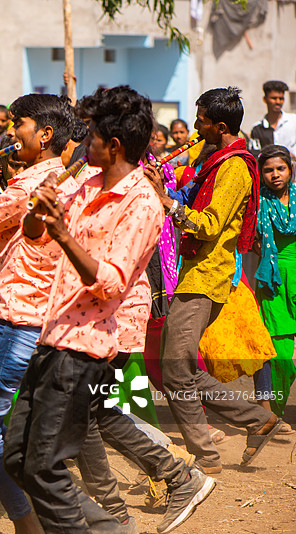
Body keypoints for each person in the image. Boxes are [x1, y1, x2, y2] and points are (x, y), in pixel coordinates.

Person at [3, 85, 212, 534]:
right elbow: (38, 236)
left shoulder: (140, 203)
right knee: (17, 456)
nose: (82, 145)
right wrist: (40, 216)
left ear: (113, 145)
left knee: (44, 464)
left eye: (92, 135)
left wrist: (60, 234)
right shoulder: (87, 183)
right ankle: (112, 527)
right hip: (50, 333)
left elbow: (111, 283)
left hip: (84, 346)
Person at [0, 93, 76, 534]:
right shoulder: (70, 180)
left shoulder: (28, 188)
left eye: (18, 123)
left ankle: (28, 523)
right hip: (54, 323)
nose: (9, 133)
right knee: (42, 434)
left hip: (15, 323)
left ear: (44, 134)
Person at [146, 87, 282, 474]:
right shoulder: (215, 160)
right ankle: (253, 421)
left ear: (220, 126)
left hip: (207, 276)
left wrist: (167, 202)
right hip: (196, 274)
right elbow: (192, 204)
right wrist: (164, 189)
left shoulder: (235, 167)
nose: (195, 125)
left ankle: (211, 451)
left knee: (175, 369)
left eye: (201, 120)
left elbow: (208, 224)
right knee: (181, 369)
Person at [254, 144, 296, 425]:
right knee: (280, 355)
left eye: (280, 168)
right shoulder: (258, 203)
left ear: (290, 169)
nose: (275, 174)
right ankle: (275, 416)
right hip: (273, 282)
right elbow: (252, 242)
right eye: (268, 170)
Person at [250, 80, 296, 157]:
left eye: (281, 99)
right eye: (274, 98)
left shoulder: (294, 121)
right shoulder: (257, 129)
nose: (278, 102)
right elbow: (256, 154)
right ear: (265, 99)